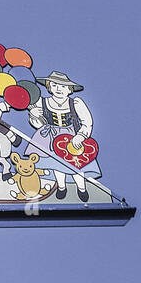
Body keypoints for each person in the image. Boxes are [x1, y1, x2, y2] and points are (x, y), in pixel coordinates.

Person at [26, 71, 100, 203]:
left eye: (63, 86)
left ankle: (82, 188)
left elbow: (87, 121)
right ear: (49, 87)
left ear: (70, 90)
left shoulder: (75, 103)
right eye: (54, 85)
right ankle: (61, 187)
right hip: (51, 137)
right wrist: (34, 115)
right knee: (57, 164)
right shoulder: (42, 102)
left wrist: (81, 136)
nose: (58, 89)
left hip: (71, 137)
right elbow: (39, 125)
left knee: (77, 164)